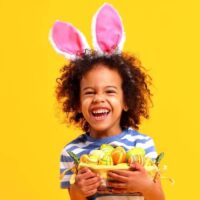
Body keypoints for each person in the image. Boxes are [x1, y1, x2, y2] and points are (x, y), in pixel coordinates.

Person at [49, 3, 165, 200]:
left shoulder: (142, 144)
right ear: (77, 103)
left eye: (110, 91)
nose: (98, 99)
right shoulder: (72, 152)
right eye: (89, 92)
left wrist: (146, 186)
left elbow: (159, 197)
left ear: (126, 100)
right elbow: (74, 198)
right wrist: (78, 190)